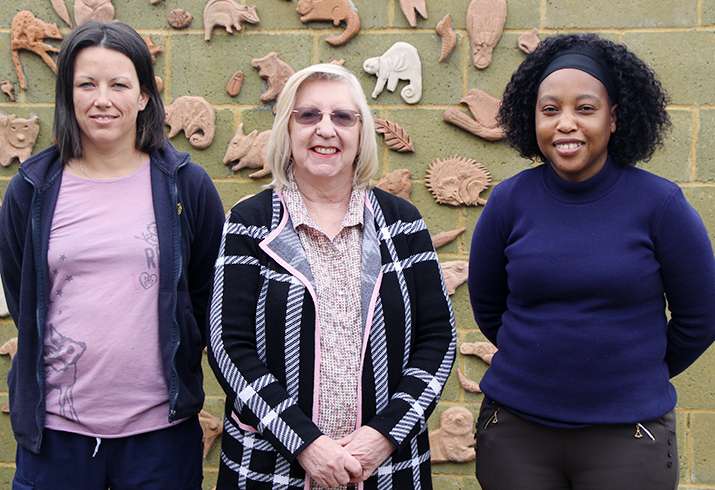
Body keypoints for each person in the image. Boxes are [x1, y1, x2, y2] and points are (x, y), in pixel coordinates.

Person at [468, 32, 715, 490]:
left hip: (626, 437)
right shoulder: (508, 202)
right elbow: (488, 308)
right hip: (517, 435)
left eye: (585, 108)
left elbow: (699, 318)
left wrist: (635, 371)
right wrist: (540, 364)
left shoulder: (661, 205)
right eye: (549, 110)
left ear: (614, 118)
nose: (565, 124)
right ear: (533, 118)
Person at [207, 63, 456, 490]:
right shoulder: (249, 222)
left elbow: (437, 339)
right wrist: (306, 444)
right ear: (287, 129)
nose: (326, 129)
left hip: (385, 468)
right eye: (308, 115)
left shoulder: (402, 223)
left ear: (361, 133)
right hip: (271, 467)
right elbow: (229, 346)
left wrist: (383, 436)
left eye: (342, 117)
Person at [0, 21, 225, 490]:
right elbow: (24, 294)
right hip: (56, 436)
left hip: (160, 436)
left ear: (144, 95)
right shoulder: (31, 189)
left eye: (119, 84)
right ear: (68, 94)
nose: (103, 99)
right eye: (87, 84)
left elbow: (206, 294)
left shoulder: (187, 185)